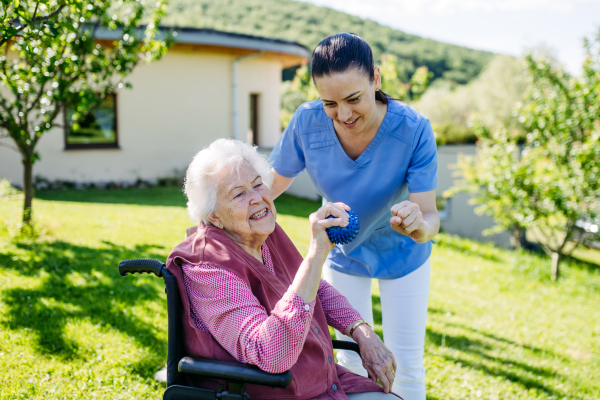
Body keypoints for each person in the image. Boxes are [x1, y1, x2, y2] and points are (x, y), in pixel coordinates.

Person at [269, 33, 439, 400]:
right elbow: (265, 190)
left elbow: (430, 216)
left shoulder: (414, 129)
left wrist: (418, 225)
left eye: (353, 98)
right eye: (329, 103)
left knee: (405, 366)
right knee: (348, 361)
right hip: (343, 254)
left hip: (404, 255)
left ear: (375, 78)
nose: (344, 115)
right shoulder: (306, 123)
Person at [168, 138, 401, 400]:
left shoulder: (265, 233)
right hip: (268, 393)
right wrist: (316, 254)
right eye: (239, 194)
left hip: (321, 379)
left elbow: (316, 289)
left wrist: (361, 330)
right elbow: (270, 354)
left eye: (258, 185)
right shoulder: (207, 266)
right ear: (213, 216)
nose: (257, 198)